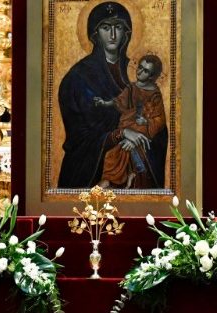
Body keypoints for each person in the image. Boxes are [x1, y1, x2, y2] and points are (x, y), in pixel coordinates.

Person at [58, 2, 151, 188]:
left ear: (127, 32)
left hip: (135, 162)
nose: (113, 35)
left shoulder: (136, 70)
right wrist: (120, 134)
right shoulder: (78, 77)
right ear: (95, 33)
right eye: (106, 28)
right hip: (89, 168)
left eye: (118, 27)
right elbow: (78, 135)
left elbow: (156, 119)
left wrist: (142, 130)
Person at [94, 54, 168, 189]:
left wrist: (145, 122)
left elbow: (159, 120)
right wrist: (104, 103)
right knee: (112, 154)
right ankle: (123, 176)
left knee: (122, 150)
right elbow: (118, 101)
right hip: (128, 126)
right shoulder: (131, 88)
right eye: (140, 67)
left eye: (146, 71)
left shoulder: (155, 95)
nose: (140, 71)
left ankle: (127, 175)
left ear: (152, 76)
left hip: (143, 130)